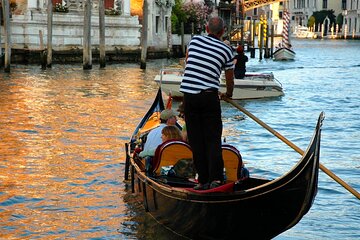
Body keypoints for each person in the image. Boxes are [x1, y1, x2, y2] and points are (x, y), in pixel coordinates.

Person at [179, 16, 235, 190]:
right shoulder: (227, 51)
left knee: (196, 140)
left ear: (206, 28)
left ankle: (203, 180)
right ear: (223, 31)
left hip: (189, 97)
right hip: (209, 97)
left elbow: (189, 63)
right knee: (212, 139)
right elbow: (229, 78)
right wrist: (228, 94)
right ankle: (216, 179)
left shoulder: (194, 41)